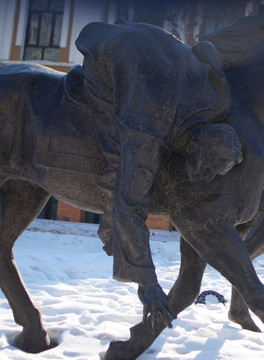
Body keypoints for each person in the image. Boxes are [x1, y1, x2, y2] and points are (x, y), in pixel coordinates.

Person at [75, 22, 233, 328]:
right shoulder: (149, 131)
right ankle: (111, 231)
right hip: (111, 55)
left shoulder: (218, 100)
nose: (201, 176)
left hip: (156, 48)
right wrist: (147, 284)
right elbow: (131, 206)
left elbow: (206, 51)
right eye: (206, 170)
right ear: (194, 149)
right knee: (121, 165)